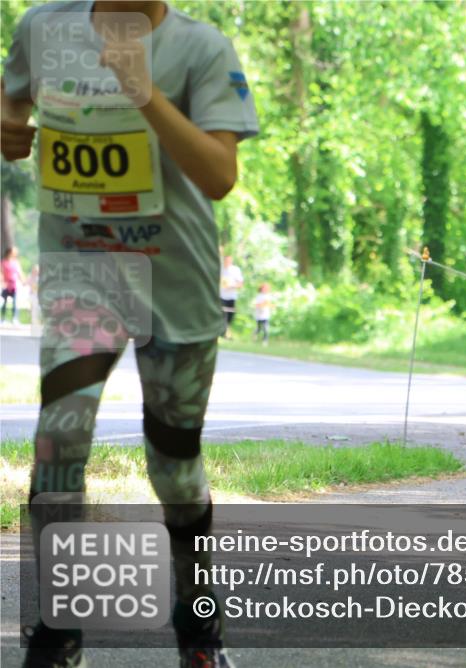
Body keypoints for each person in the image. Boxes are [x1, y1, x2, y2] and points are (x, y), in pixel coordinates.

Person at [2, 2, 258, 666]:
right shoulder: (41, 28)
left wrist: (143, 91)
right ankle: (56, 635)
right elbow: (12, 105)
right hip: (81, 277)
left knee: (174, 471)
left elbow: (219, 175)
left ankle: (199, 625)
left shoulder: (200, 48)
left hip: (175, 282)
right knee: (59, 443)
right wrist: (7, 127)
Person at [219, 255, 243, 339]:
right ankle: (222, 332)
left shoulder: (235, 270)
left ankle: (226, 331)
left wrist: (231, 286)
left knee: (230, 315)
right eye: (226, 260)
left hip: (231, 296)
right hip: (221, 295)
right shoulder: (220, 268)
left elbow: (240, 283)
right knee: (222, 314)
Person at [1, 246, 25, 324]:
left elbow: (19, 273)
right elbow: (1, 273)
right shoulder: (3, 262)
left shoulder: (16, 262)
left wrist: (23, 281)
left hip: (14, 285)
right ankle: (3, 318)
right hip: (6, 285)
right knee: (4, 302)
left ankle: (15, 318)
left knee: (15, 302)